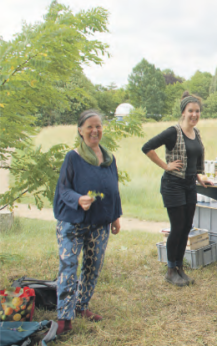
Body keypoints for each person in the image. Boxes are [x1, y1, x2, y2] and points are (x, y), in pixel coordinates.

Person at [53, 109, 122, 335]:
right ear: (80, 130)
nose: (95, 130)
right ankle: (64, 319)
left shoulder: (109, 158)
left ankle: (82, 307)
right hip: (72, 222)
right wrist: (78, 199)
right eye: (90, 126)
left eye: (98, 126)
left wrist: (115, 216)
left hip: (99, 223)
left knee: (92, 268)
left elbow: (114, 189)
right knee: (69, 269)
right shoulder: (73, 157)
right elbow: (63, 189)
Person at [142, 91, 213, 287]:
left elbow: (194, 160)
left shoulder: (196, 133)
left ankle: (180, 268)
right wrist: (166, 166)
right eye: (191, 110)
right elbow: (147, 147)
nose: (194, 114)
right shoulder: (173, 132)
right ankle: (171, 269)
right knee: (178, 227)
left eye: (197, 111)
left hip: (190, 184)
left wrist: (200, 176)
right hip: (173, 185)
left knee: (187, 227)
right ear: (183, 111)